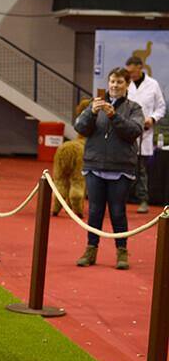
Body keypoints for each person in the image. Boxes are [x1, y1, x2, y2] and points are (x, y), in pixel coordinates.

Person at [74, 67, 144, 270]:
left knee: (118, 212)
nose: (115, 85)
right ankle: (90, 250)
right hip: (94, 166)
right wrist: (91, 113)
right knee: (94, 211)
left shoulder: (134, 108)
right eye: (112, 81)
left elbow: (134, 131)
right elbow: (80, 128)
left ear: (127, 84)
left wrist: (114, 117)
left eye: (120, 82)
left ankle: (122, 252)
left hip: (121, 168)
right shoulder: (94, 105)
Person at [124, 56, 165, 213]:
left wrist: (152, 119)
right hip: (126, 132)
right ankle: (122, 199)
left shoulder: (152, 85)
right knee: (123, 168)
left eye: (132, 72)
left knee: (140, 170)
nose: (130, 75)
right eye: (128, 72)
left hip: (144, 133)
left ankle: (143, 200)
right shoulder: (125, 84)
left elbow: (161, 107)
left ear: (141, 68)